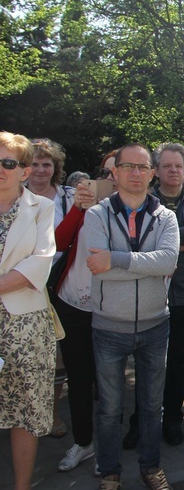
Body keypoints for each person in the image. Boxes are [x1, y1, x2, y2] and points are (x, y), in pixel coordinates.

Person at [83, 143, 180, 490]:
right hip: (108, 327)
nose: (136, 173)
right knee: (109, 409)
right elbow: (97, 268)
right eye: (129, 167)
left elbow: (169, 262)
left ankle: (150, 467)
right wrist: (143, 265)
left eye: (142, 167)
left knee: (152, 406)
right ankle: (109, 471)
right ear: (115, 172)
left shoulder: (166, 216)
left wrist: (118, 259)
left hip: (156, 325)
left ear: (152, 173)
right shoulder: (96, 215)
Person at [128, 143, 184, 448]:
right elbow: (136, 240)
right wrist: (176, 240)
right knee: (148, 362)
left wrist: (161, 245)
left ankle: (173, 419)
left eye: (178, 166)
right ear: (156, 170)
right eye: (166, 166)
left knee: (179, 363)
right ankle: (141, 421)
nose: (173, 171)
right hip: (150, 291)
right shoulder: (144, 199)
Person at [0, 132, 56, 490]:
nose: (0, 170)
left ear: (23, 171)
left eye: (8, 163)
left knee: (25, 412)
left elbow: (40, 263)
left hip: (26, 328)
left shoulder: (42, 208)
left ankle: (21, 487)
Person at [29, 138, 76, 437]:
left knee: (58, 355)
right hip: (23, 285)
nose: (40, 169)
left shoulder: (66, 198)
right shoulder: (12, 197)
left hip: (59, 283)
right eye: (34, 163)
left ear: (55, 168)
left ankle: (52, 413)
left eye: (46, 164)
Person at [51, 181, 99, 473]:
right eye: (105, 172)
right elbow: (57, 242)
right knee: (79, 379)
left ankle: (105, 446)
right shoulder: (80, 207)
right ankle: (83, 442)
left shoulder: (127, 209)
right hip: (71, 305)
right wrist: (78, 209)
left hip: (107, 309)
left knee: (109, 382)